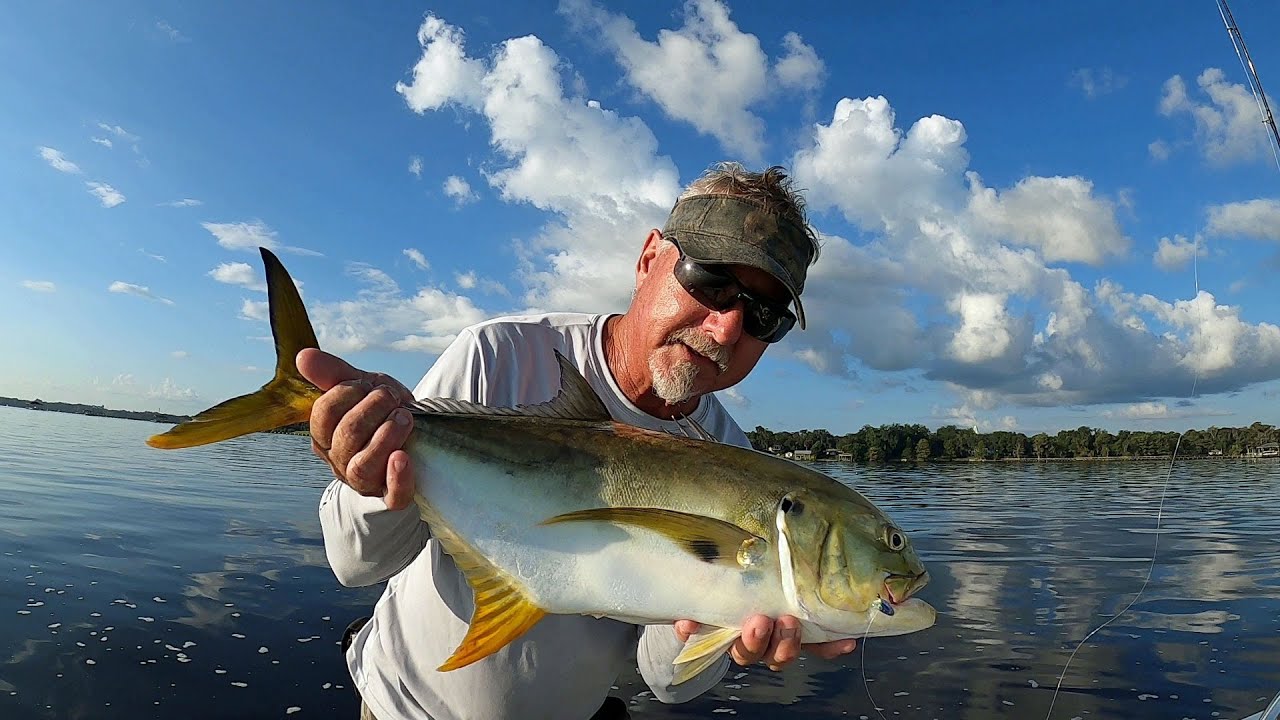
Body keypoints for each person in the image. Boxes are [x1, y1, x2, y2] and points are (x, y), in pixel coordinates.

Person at [300, 162, 856, 720]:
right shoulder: (499, 358)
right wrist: (368, 474)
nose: (727, 328)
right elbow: (355, 563)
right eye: (711, 281)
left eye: (763, 315)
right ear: (648, 260)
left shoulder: (734, 462)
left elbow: (666, 683)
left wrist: (723, 621)